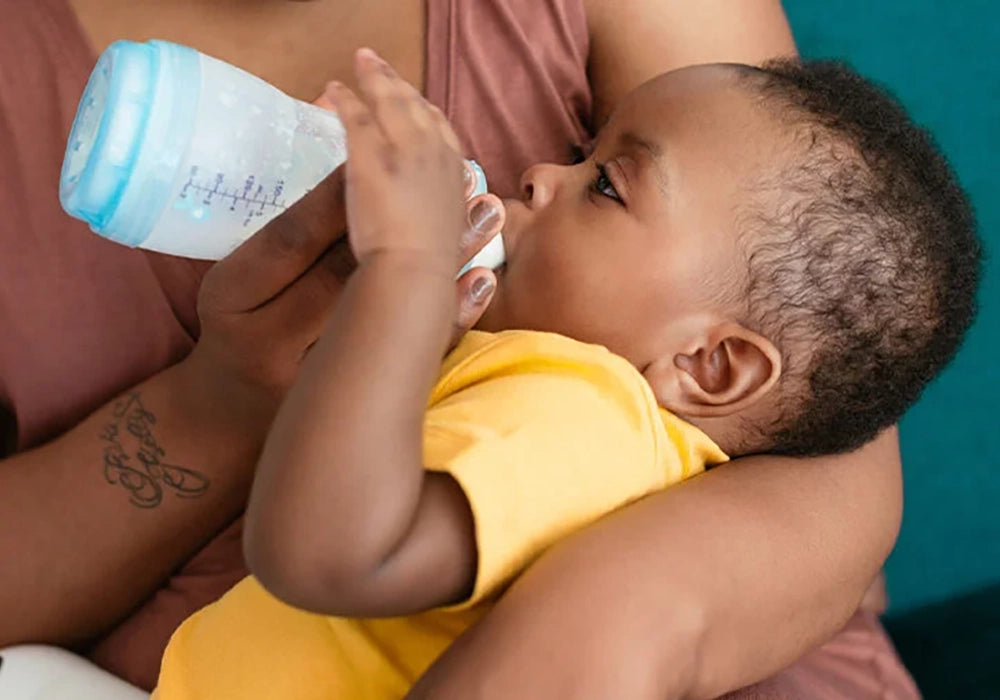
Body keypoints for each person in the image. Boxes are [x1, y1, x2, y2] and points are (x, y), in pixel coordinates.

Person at [0, 0, 919, 697]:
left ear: (711, 369)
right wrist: (231, 397)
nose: (538, 169)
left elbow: (324, 554)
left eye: (603, 183)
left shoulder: (573, 411)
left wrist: (400, 280)